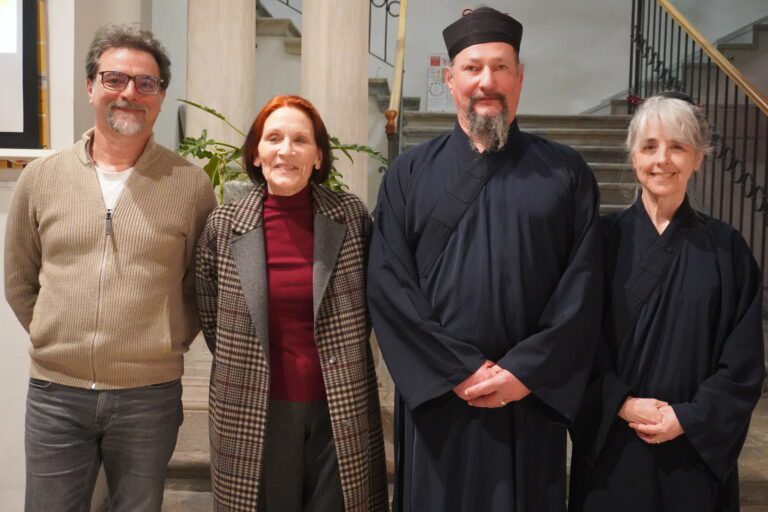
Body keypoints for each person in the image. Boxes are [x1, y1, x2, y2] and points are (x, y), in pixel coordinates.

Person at [367, 7, 602, 512]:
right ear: (450, 79)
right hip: (440, 398)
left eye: (500, 67)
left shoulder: (565, 173)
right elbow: (389, 286)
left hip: (528, 399)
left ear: (520, 77)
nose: (486, 82)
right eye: (472, 68)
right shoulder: (408, 173)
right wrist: (457, 370)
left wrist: (524, 372)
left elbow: (582, 287)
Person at [4, 24, 217, 512]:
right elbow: (19, 278)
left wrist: (163, 342)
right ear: (91, 86)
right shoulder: (42, 177)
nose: (129, 93)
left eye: (146, 83)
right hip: (56, 393)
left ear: (161, 96)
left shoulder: (189, 185)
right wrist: (56, 336)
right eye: (115, 78)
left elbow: (198, 286)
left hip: (149, 395)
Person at [569, 92, 765, 511]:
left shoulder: (727, 250)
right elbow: (575, 341)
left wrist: (689, 418)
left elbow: (743, 361)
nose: (663, 160)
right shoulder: (600, 242)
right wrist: (621, 404)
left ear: (698, 158)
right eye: (650, 147)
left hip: (693, 448)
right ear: (633, 156)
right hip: (615, 442)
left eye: (678, 146)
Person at [196, 95, 387, 512]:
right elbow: (211, 315)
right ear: (256, 153)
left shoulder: (351, 218)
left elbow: (371, 304)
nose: (286, 150)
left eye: (301, 140)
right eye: (274, 138)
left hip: (338, 405)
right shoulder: (224, 226)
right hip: (255, 406)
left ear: (318, 157)